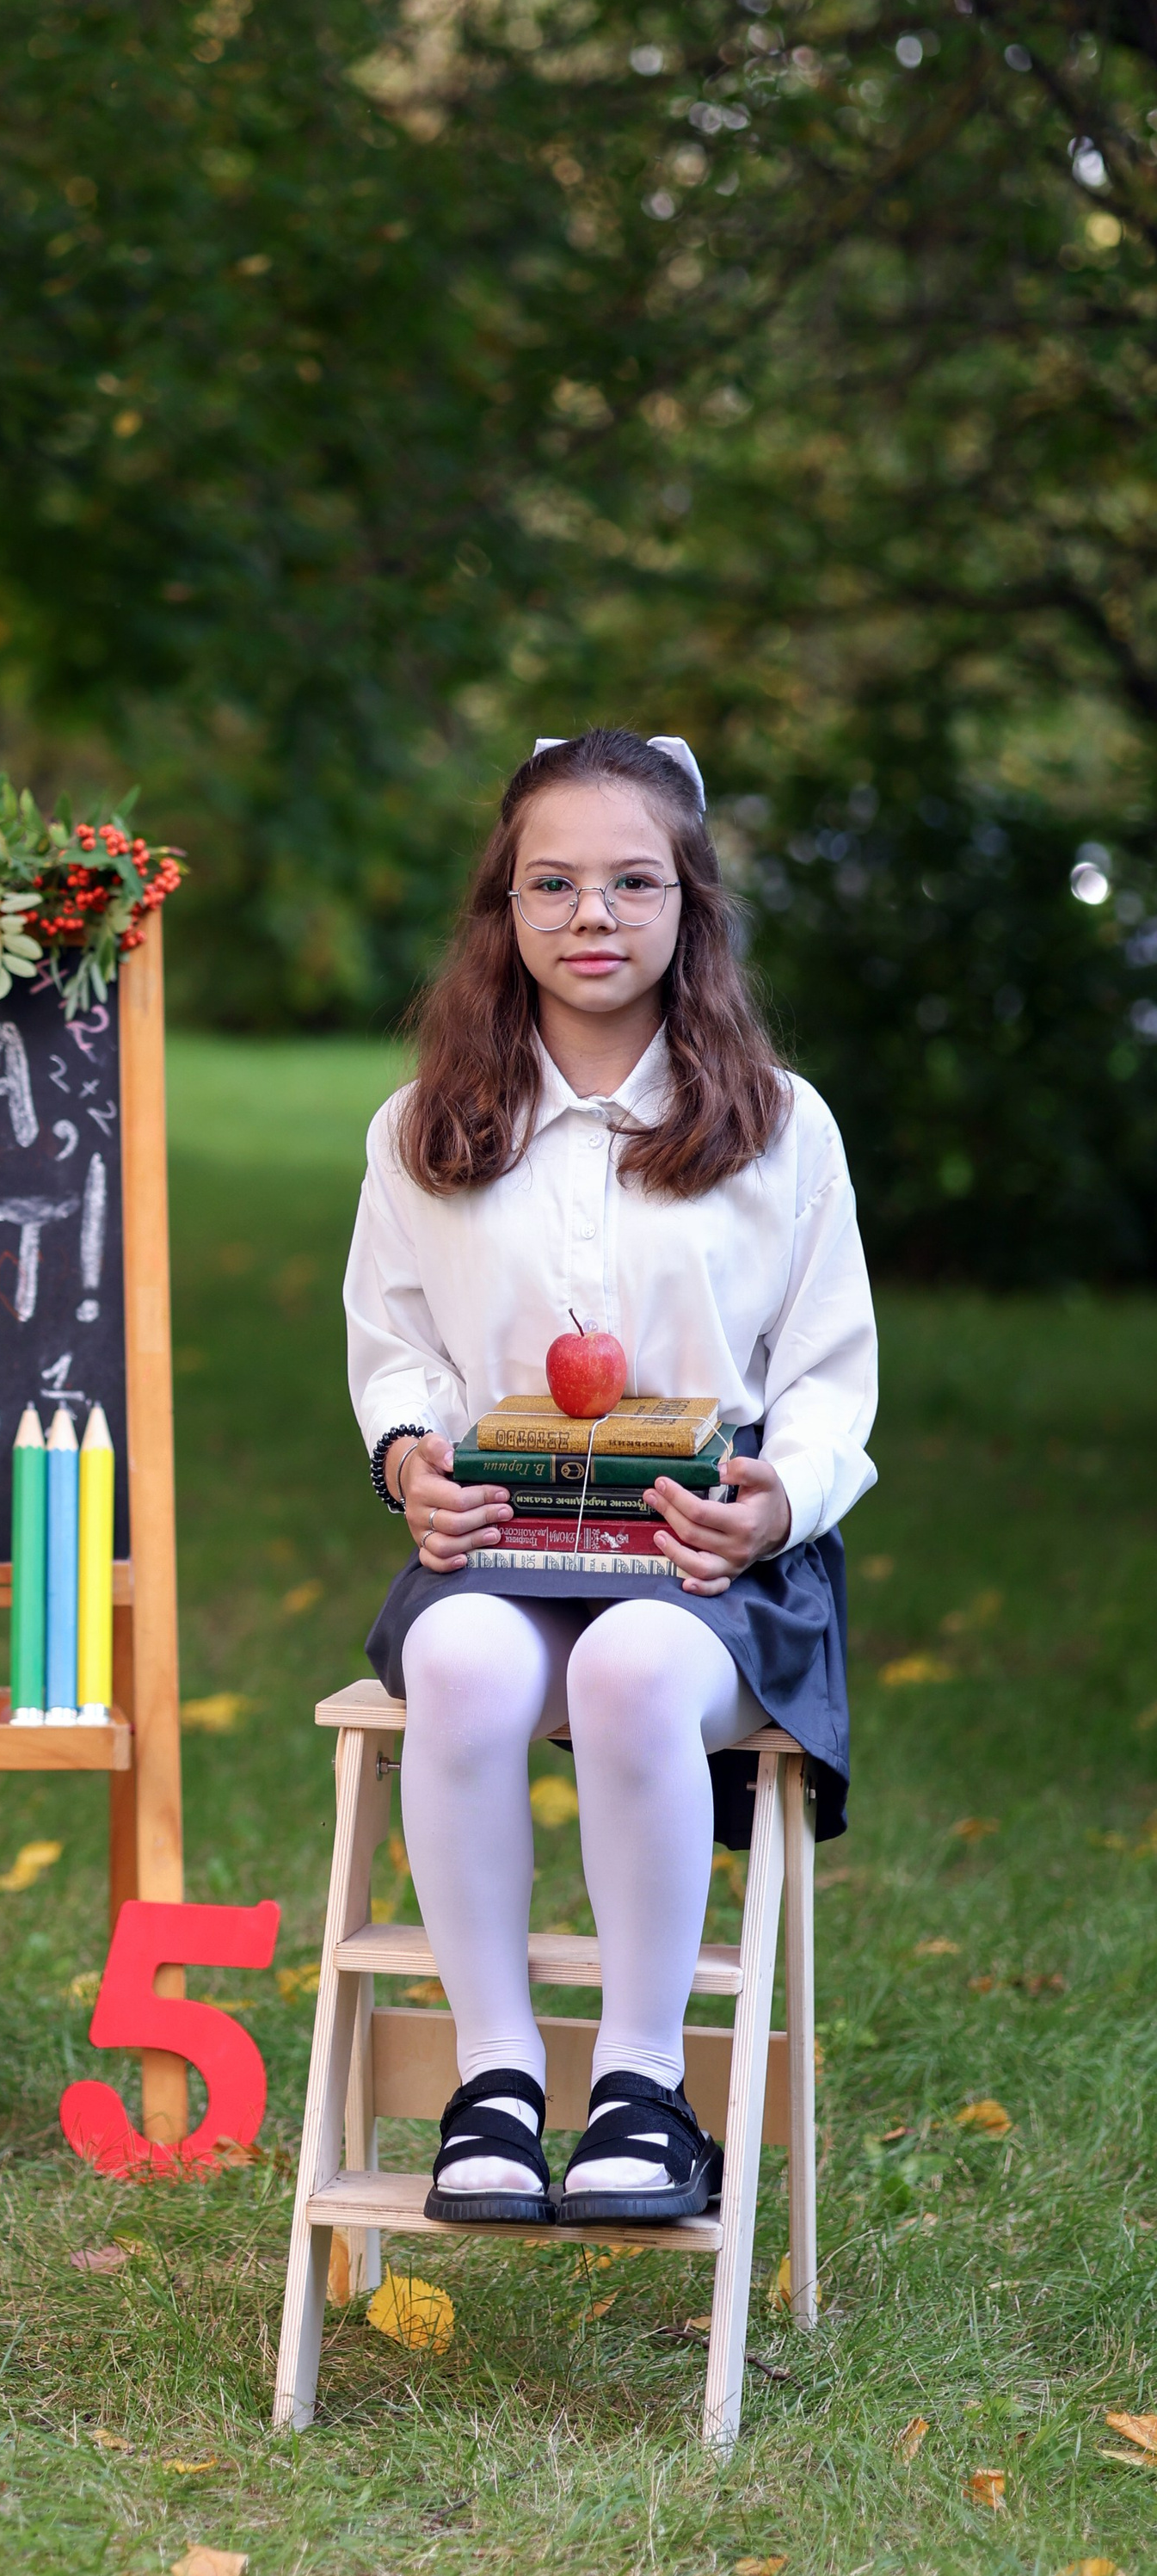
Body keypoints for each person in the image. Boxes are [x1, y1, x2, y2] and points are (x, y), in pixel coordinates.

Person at [345, 729, 876, 2223]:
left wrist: (781, 1496)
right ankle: (497, 2077)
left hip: (704, 1564)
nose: (594, 915)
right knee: (452, 1657)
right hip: (502, 1548)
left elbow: (833, 1374)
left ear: (690, 903)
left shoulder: (779, 1123)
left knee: (637, 1667)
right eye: (554, 883)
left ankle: (644, 2082)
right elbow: (393, 1346)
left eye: (633, 883)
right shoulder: (427, 1127)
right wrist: (408, 1460)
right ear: (502, 908)